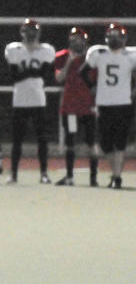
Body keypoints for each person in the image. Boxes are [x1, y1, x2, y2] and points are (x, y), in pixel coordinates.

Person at [81, 22, 136, 189]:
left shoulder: (131, 54)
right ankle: (115, 174)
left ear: (124, 38)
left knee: (120, 143)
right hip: (104, 103)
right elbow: (83, 72)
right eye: (111, 36)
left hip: (123, 103)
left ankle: (116, 177)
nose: (114, 39)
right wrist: (92, 87)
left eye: (117, 36)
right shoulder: (98, 53)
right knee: (105, 144)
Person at [4, 18, 55, 184]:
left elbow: (44, 74)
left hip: (38, 100)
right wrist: (33, 71)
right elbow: (14, 77)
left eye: (33, 30)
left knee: (42, 139)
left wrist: (25, 72)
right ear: (22, 32)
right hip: (20, 100)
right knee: (17, 140)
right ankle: (13, 173)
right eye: (28, 30)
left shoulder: (46, 50)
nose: (31, 34)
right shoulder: (14, 49)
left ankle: (44, 173)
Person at [54, 27, 98, 187]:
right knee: (70, 141)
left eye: (77, 39)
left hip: (88, 107)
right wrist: (69, 62)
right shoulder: (63, 56)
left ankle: (93, 178)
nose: (74, 42)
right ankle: (70, 176)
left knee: (91, 142)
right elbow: (59, 78)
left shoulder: (92, 57)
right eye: (72, 39)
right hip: (71, 107)